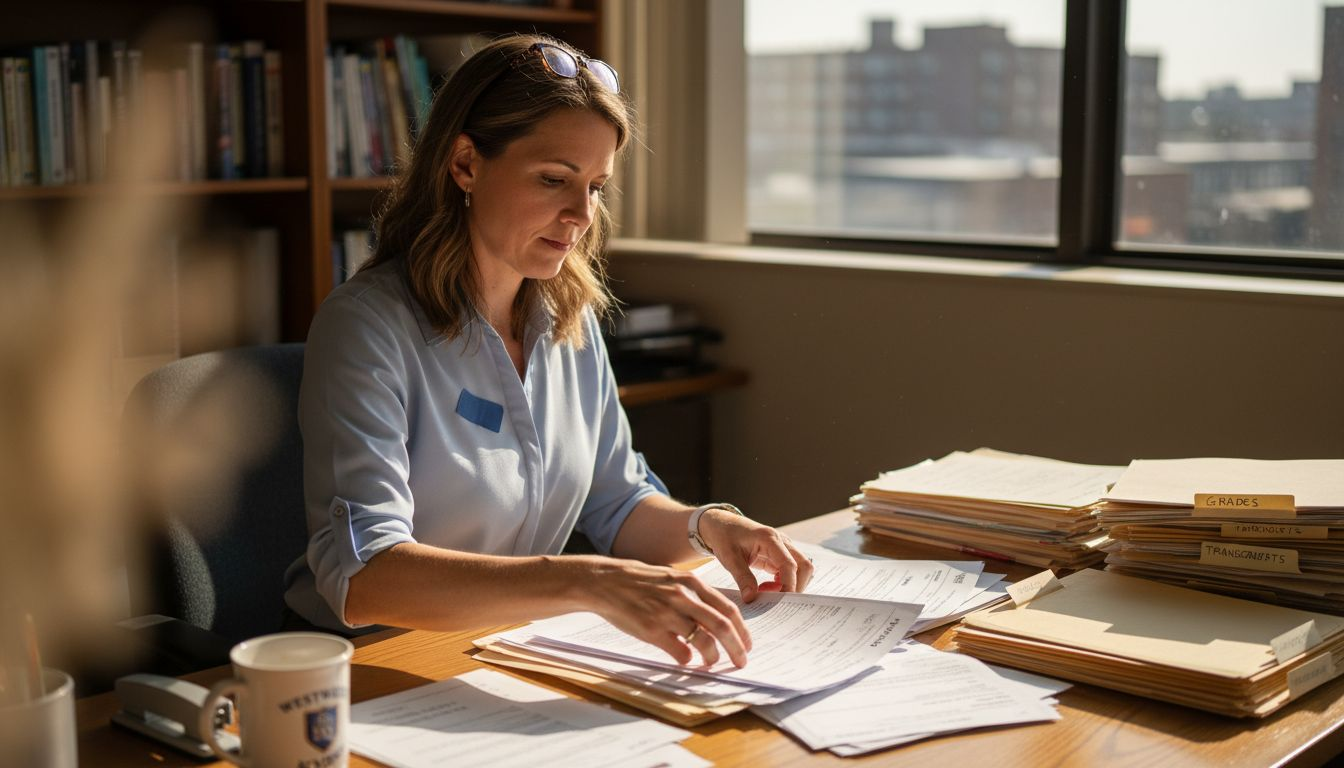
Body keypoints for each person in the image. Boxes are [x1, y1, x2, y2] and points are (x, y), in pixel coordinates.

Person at [282, 34, 813, 668]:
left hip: (504, 649)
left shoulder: (570, 318)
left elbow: (618, 503)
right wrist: (586, 581)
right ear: (465, 164)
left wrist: (710, 526)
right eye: (554, 179)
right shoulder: (365, 326)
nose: (581, 214)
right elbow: (363, 575)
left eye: (596, 186)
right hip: (371, 662)